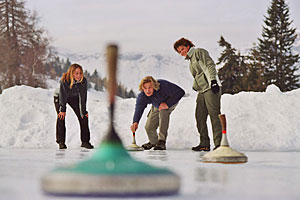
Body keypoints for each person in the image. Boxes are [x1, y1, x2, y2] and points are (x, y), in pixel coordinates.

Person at [173, 37, 222, 151]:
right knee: (199, 116)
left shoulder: (199, 52)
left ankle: (219, 144)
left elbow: (210, 65)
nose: (182, 52)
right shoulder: (190, 60)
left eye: (182, 49)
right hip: (202, 90)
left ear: (188, 46)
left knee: (214, 115)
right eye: (179, 51)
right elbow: (198, 75)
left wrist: (213, 81)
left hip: (211, 87)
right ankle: (204, 143)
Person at [130, 76, 185, 150]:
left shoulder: (163, 85)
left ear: (154, 86)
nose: (147, 91)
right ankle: (153, 142)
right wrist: (135, 122)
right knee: (149, 127)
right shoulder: (142, 96)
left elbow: (180, 92)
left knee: (163, 112)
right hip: (157, 104)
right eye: (145, 88)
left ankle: (161, 141)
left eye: (150, 87)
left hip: (171, 101)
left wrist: (168, 104)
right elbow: (139, 108)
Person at [53, 63, 94, 149]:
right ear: (72, 73)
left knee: (83, 117)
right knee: (61, 116)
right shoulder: (65, 80)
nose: (79, 75)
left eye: (80, 73)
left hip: (73, 97)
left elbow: (83, 97)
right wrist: (62, 110)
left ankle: (85, 141)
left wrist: (83, 111)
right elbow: (63, 97)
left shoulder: (83, 81)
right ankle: (61, 142)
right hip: (60, 96)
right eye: (76, 73)